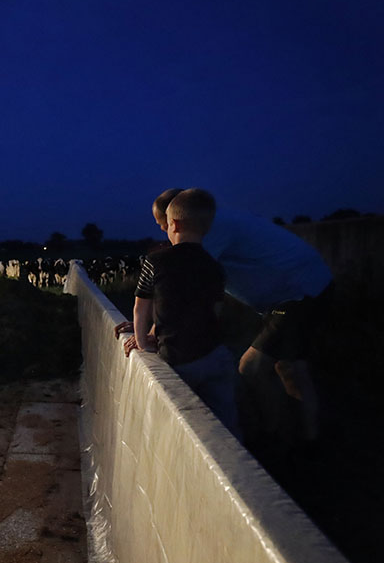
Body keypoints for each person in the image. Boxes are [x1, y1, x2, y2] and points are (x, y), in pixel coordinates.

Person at [152, 188, 332, 445]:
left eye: (164, 224)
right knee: (291, 368)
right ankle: (308, 439)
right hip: (298, 290)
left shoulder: (208, 232)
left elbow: (180, 286)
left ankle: (272, 438)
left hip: (298, 294)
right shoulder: (217, 221)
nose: (165, 232)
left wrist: (152, 332)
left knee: (251, 367)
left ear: (178, 216)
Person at [122, 188, 240, 439]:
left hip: (178, 357)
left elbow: (140, 308)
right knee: (225, 424)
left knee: (178, 425)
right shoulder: (215, 267)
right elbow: (216, 311)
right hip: (215, 355)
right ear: (206, 228)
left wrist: (144, 344)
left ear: (173, 223)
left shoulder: (155, 261)